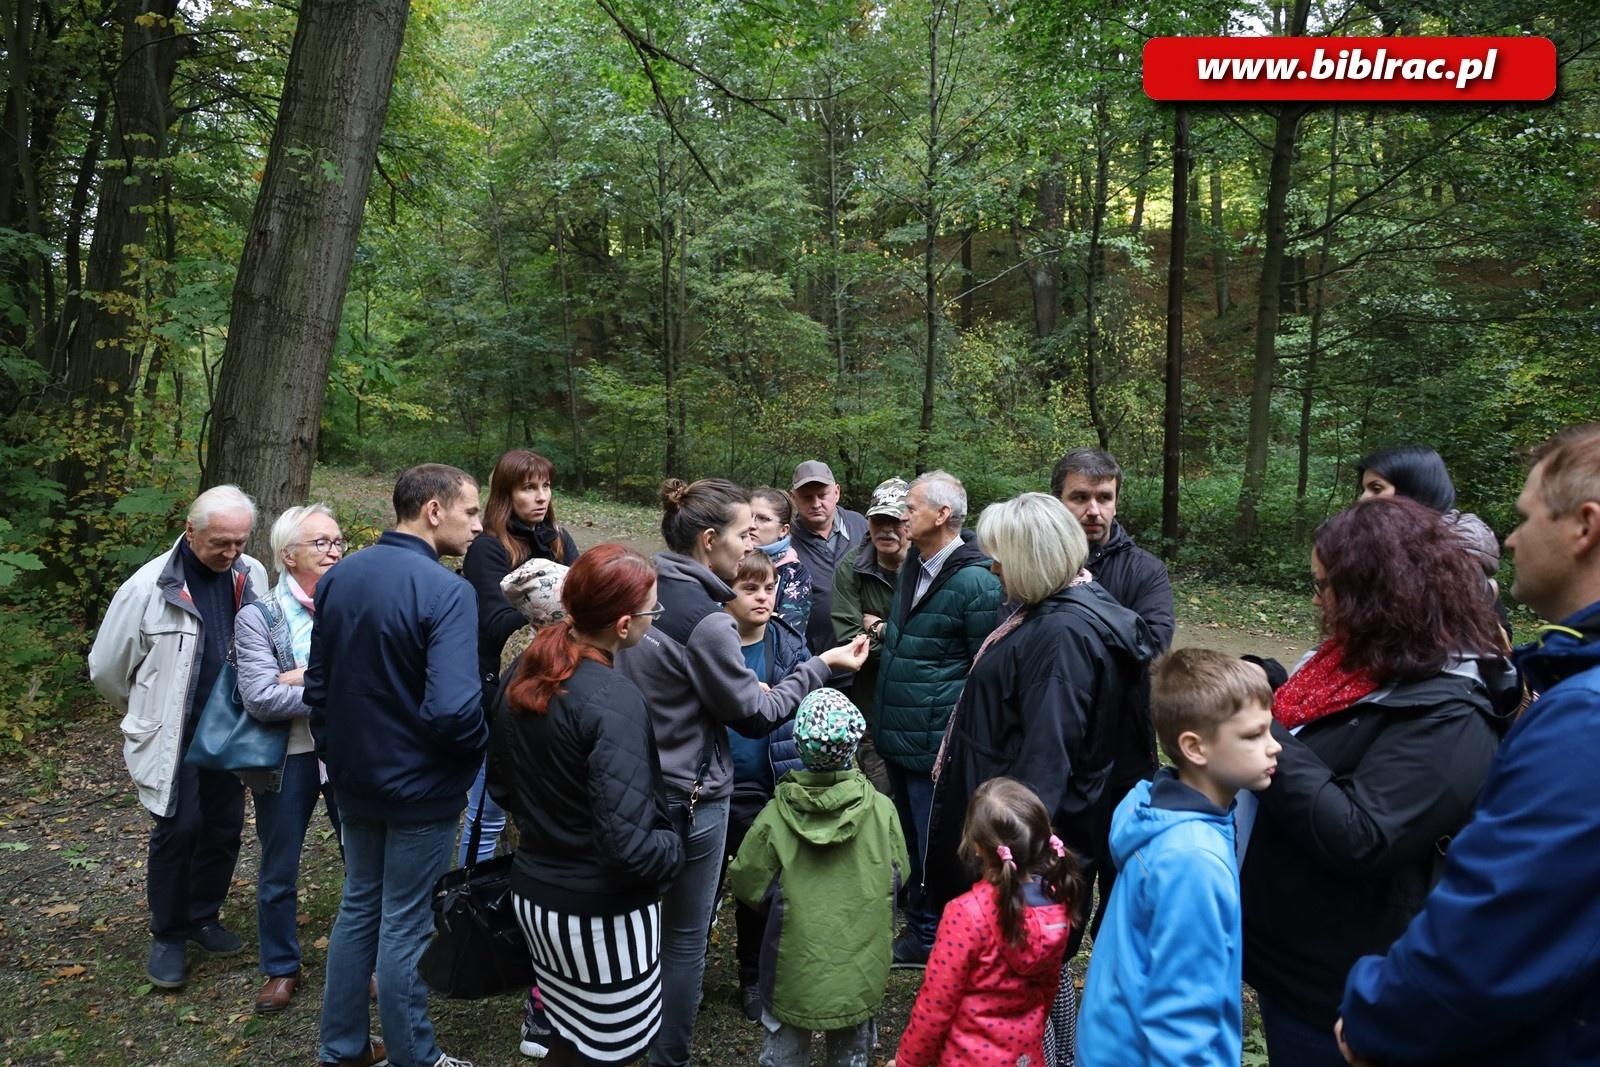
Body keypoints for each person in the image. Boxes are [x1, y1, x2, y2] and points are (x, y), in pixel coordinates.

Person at [1336, 423, 1600, 1067]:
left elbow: (1501, 917)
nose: (1510, 538)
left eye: (1525, 517)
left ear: (1584, 527)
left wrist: (1378, 1016)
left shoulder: (1584, 720)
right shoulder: (1565, 681)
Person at [1240, 496, 1516, 1067]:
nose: (1316, 600)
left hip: (1340, 991)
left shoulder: (1453, 710)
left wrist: (1260, 730)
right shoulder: (1349, 663)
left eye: (1326, 585)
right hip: (1290, 958)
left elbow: (1364, 835)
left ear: (1377, 593)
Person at [614, 478, 871, 1067]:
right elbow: (755, 714)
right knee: (683, 937)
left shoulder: (644, 588)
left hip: (634, 781)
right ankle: (668, 1055)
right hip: (690, 793)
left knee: (641, 925)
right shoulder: (708, 621)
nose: (749, 542)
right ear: (709, 541)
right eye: (740, 533)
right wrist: (819, 667)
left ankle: (624, 1038)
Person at [921, 492, 1155, 1063]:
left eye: (1000, 557)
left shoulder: (1061, 637)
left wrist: (1011, 876)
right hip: (1028, 856)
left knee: (1022, 1001)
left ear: (1030, 560)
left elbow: (1047, 766)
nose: (992, 567)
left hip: (1027, 868)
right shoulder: (1055, 609)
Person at [307, 463, 488, 1067]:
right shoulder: (447, 591)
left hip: (355, 781)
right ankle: (415, 1056)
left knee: (361, 904)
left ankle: (343, 1048)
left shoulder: (340, 575)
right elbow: (454, 711)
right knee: (406, 923)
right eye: (471, 512)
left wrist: (337, 753)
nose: (479, 525)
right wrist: (476, 751)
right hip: (420, 791)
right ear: (433, 510)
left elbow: (319, 687)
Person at [488, 543, 684, 1067]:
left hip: (537, 899)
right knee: (613, 1051)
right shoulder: (614, 700)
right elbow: (629, 846)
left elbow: (500, 787)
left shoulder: (523, 672)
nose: (654, 619)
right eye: (651, 612)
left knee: (569, 1040)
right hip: (601, 918)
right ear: (623, 625)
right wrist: (674, 846)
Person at [89, 484, 267, 992]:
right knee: (179, 827)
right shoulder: (147, 587)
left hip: (228, 729)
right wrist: (146, 709)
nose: (232, 553)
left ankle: (204, 916)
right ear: (191, 533)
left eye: (240, 541)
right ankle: (168, 933)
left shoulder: (249, 573)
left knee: (225, 825)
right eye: (221, 543)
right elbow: (106, 669)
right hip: (173, 734)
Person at [1076, 649, 1280, 1067]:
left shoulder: (1156, 808)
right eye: (1253, 735)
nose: (1275, 746)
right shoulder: (1193, 860)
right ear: (1196, 747)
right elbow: (1182, 1018)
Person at [726, 689, 908, 1067]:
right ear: (854, 745)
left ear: (799, 745)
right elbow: (899, 872)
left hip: (793, 970)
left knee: (785, 1054)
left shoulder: (774, 817)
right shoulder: (882, 810)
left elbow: (747, 883)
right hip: (859, 972)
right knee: (851, 1055)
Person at [875, 470, 1002, 967]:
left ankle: (934, 936)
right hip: (899, 735)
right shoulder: (913, 562)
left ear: (942, 515)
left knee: (936, 846)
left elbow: (981, 667)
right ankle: (922, 922)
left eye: (911, 506)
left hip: (934, 744)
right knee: (910, 842)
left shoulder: (975, 582)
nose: (902, 515)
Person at [233, 503, 345, 1015]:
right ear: (288, 554)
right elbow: (260, 696)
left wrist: (305, 680)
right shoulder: (259, 616)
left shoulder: (353, 605)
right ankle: (281, 966)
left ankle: (365, 961)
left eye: (338, 541)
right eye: (321, 542)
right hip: (289, 754)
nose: (334, 550)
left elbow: (373, 680)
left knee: (362, 863)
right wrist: (335, 687)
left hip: (348, 751)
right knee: (279, 866)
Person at [894, 778, 1079, 1067]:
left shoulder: (965, 915)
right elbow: (1047, 988)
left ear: (978, 846)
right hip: (1026, 1055)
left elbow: (936, 1004)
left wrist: (908, 1060)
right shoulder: (1057, 906)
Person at [461, 449, 581, 868]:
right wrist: (550, 604)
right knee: (488, 811)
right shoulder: (488, 549)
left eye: (546, 486)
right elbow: (494, 622)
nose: (541, 496)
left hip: (559, 684)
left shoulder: (560, 540)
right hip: (501, 691)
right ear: (506, 493)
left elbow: (587, 600)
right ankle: (469, 896)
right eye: (529, 487)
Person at [721, 549, 814, 1021]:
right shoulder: (712, 643)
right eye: (749, 588)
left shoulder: (788, 642)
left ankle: (755, 975)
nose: (761, 597)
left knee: (761, 885)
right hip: (720, 781)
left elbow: (810, 702)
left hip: (772, 780)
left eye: (768, 587)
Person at [830, 477, 910, 796]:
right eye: (879, 520)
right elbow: (852, 643)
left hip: (925, 707)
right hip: (872, 708)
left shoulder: (929, 565)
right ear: (869, 522)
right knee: (881, 797)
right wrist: (909, 643)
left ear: (911, 523)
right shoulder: (851, 568)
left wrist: (878, 627)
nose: (886, 529)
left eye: (896, 521)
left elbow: (941, 640)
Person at [1050, 448, 1174, 650]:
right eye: (1080, 498)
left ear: (1115, 504)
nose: (1093, 511)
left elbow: (1154, 649)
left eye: (1104, 498)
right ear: (1057, 503)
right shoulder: (1034, 564)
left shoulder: (1147, 572)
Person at [1356, 443, 1500, 583]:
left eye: (1376, 489)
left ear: (1411, 488)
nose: (1363, 499)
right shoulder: (1391, 542)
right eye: (1364, 490)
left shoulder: (1455, 552)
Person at [789, 460, 869, 654]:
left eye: (822, 495)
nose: (816, 504)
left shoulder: (860, 525)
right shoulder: (786, 538)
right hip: (814, 658)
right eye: (807, 497)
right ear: (793, 498)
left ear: (837, 492)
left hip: (864, 650)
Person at [751, 486, 813, 633]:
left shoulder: (795, 574)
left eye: (763, 519)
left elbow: (789, 634)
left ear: (783, 530)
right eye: (748, 517)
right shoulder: (729, 562)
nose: (752, 525)